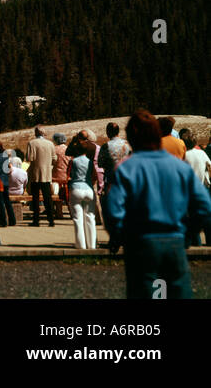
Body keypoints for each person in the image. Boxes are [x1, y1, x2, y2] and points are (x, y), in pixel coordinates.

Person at [106, 109, 211, 299]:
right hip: (174, 242)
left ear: (131, 138)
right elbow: (204, 206)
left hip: (141, 244)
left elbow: (113, 211)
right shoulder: (180, 167)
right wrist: (189, 233)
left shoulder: (126, 168)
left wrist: (118, 236)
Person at [64, 131, 99, 250]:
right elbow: (94, 176)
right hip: (88, 188)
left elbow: (68, 174)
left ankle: (81, 245)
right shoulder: (90, 162)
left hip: (76, 188)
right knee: (90, 218)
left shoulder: (73, 161)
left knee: (78, 218)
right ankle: (92, 244)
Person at [25, 126, 57, 228]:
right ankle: (51, 220)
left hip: (35, 173)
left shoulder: (32, 143)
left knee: (35, 198)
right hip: (47, 174)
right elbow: (54, 159)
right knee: (48, 198)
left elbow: (30, 158)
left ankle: (36, 220)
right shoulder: (50, 144)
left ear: (36, 132)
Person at [183, 134, 210, 246]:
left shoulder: (186, 155)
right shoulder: (202, 153)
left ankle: (195, 242)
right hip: (202, 187)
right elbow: (209, 165)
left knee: (190, 218)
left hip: (189, 189)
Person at [0, 139, 16, 228]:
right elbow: (8, 169)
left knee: (0, 201)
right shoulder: (5, 156)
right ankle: (12, 220)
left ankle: (3, 221)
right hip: (5, 180)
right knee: (7, 201)